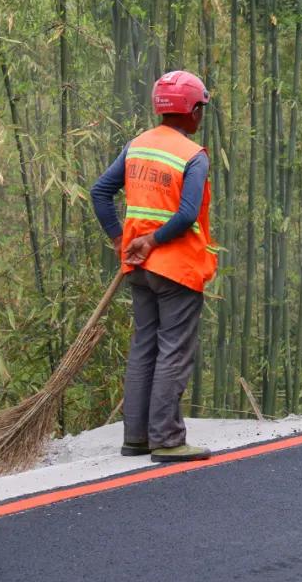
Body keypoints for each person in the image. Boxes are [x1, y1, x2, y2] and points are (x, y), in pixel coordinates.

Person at [91, 70, 218, 463]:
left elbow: (100, 192)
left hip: (139, 270)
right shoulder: (192, 156)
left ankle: (136, 438)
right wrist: (153, 240)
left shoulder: (137, 145)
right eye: (201, 108)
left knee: (144, 347)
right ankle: (167, 439)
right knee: (173, 351)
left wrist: (120, 239)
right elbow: (185, 214)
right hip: (176, 268)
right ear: (192, 110)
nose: (201, 115)